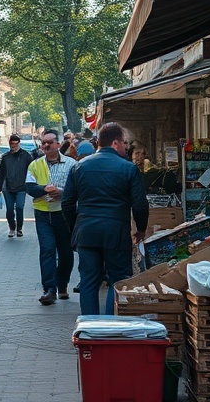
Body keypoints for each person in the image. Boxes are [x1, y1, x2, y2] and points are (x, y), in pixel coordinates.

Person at [61, 121, 149, 315]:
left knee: (89, 281)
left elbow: (67, 203)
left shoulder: (79, 167)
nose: (127, 148)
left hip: (86, 232)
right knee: (117, 280)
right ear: (115, 143)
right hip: (116, 233)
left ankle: (89, 328)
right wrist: (141, 229)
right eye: (125, 143)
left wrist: (75, 227)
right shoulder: (128, 168)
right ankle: (109, 326)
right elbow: (140, 204)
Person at [26, 129, 77, 305]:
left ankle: (62, 284)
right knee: (47, 250)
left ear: (58, 144)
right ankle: (49, 289)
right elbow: (29, 187)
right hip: (43, 214)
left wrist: (61, 192)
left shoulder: (71, 164)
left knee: (65, 252)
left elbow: (76, 188)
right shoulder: (35, 164)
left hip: (64, 214)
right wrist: (44, 190)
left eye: (50, 142)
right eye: (44, 143)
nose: (46, 145)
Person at [0, 133, 32, 238]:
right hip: (8, 188)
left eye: (16, 144)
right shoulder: (6, 157)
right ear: (9, 144)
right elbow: (1, 173)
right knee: (10, 210)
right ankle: (12, 228)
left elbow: (31, 171)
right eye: (12, 144)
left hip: (21, 187)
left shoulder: (26, 156)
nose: (14, 146)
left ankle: (19, 229)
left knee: (20, 208)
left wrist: (31, 185)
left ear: (19, 144)